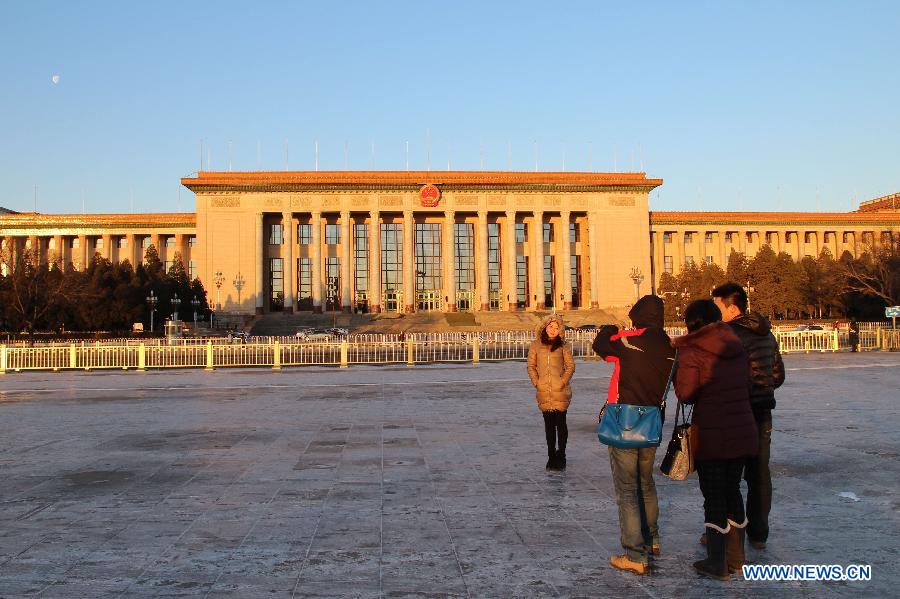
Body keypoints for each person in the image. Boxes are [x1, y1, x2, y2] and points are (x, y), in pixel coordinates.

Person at [674, 299, 759, 580]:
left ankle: (716, 561)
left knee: (714, 495)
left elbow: (686, 393)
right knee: (733, 489)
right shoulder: (736, 344)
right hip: (742, 427)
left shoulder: (693, 349)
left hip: (712, 430)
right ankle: (738, 558)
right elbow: (748, 384)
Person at [592, 295, 675, 575]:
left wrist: (609, 328)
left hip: (625, 422)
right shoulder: (670, 347)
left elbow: (600, 345)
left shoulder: (629, 341)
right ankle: (652, 540)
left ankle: (634, 554)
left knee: (627, 490)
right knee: (646, 483)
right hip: (652, 421)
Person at [711, 283, 785, 550]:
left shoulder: (726, 335)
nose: (714, 312)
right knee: (759, 474)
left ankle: (725, 533)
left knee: (728, 477)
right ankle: (759, 533)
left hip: (735, 413)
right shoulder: (767, 334)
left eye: (716, 306)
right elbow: (778, 375)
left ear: (732, 308)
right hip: (762, 412)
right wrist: (762, 389)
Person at [527, 314, 575, 471]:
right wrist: (537, 382)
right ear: (545, 327)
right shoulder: (535, 345)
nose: (553, 330)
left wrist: (562, 382)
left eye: (557, 328)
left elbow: (570, 366)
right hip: (544, 391)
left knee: (561, 425)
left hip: (560, 391)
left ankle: (561, 455)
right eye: (551, 327)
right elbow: (531, 366)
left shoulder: (563, 345)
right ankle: (551, 456)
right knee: (549, 426)